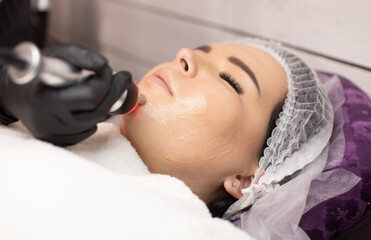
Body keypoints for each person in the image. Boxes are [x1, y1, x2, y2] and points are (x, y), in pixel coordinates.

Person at [1, 36, 335, 239]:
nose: (184, 54)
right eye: (200, 50)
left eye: (230, 79)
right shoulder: (52, 122)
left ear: (248, 178)